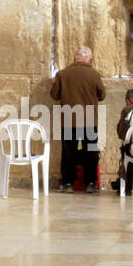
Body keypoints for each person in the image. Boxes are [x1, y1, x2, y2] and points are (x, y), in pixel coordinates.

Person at [50, 46, 106, 192]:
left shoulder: (63, 74)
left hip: (69, 121)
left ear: (75, 58)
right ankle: (91, 183)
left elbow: (54, 94)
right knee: (91, 150)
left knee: (69, 151)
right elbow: (102, 94)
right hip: (89, 120)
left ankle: (67, 183)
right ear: (88, 58)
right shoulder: (94, 74)